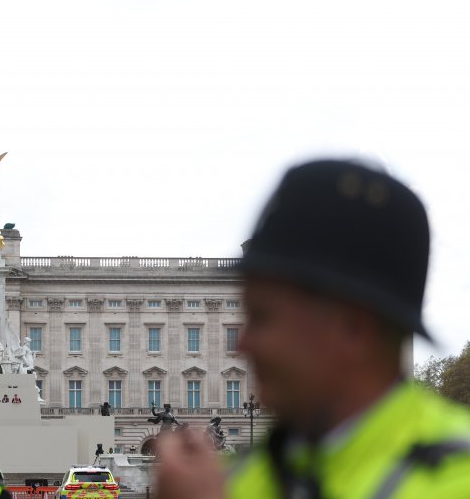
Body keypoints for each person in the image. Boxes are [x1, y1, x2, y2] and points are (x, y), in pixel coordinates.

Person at [154, 159, 470, 499]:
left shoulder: (457, 475)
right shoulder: (245, 473)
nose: (242, 345)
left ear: (354, 329)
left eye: (263, 317)